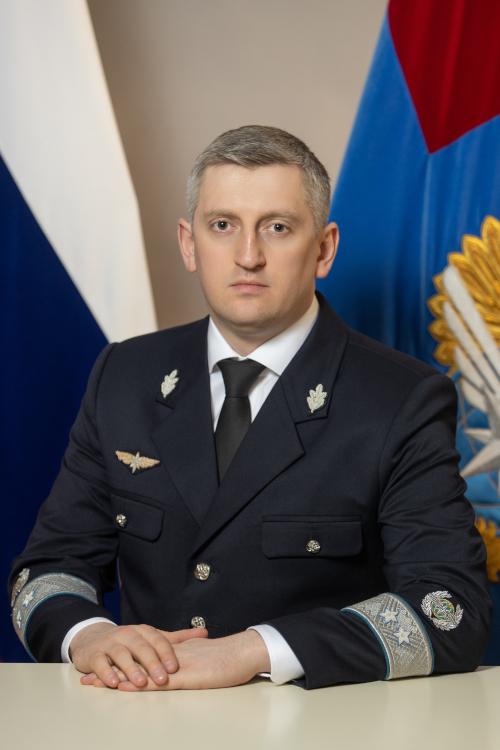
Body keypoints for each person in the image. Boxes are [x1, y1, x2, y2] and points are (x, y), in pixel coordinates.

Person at [9, 125, 490, 691]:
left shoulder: (400, 398)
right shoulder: (125, 376)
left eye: (277, 228)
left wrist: (255, 650)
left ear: (324, 249)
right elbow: (47, 569)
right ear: (189, 244)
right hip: (146, 714)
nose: (248, 257)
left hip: (320, 724)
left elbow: (450, 609)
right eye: (223, 226)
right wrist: (88, 635)